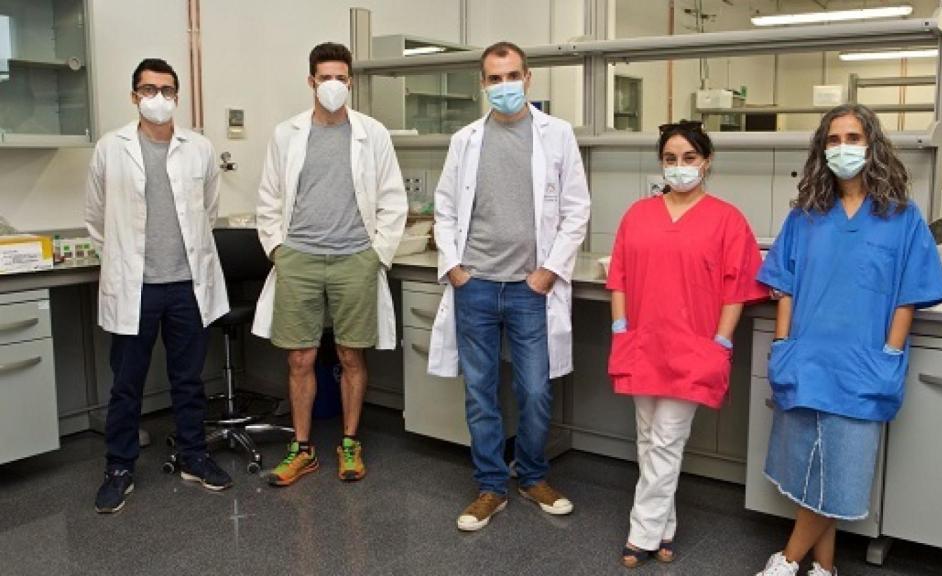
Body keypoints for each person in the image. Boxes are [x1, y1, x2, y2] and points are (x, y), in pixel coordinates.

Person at [754, 104, 942, 576]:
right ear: (823, 149)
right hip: (807, 357)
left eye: (853, 137)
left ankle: (786, 561)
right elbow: (785, 287)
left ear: (873, 145)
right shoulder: (805, 217)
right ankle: (825, 569)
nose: (844, 147)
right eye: (835, 139)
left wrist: (890, 354)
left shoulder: (901, 218)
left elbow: (908, 295)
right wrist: (782, 346)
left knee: (841, 475)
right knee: (811, 471)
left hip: (864, 365)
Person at [429, 41, 591, 531]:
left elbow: (576, 208)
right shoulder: (466, 139)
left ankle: (534, 475)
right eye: (494, 79)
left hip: (529, 287)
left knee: (535, 391)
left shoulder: (557, 135)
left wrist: (548, 272)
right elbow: (446, 208)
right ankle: (490, 487)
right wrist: (456, 267)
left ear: (528, 78)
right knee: (480, 393)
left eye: (512, 76)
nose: (504, 87)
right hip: (474, 284)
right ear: (483, 83)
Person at [606, 121, 767, 567]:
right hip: (642, 341)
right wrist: (620, 327)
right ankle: (665, 529)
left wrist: (720, 339)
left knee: (666, 439)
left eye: (689, 158)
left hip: (694, 346)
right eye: (671, 159)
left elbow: (737, 288)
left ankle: (640, 531)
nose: (679, 167)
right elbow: (617, 275)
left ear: (707, 161)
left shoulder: (727, 219)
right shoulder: (638, 214)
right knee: (648, 438)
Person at [252, 42, 407, 486]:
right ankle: (302, 450)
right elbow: (269, 197)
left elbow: (393, 198)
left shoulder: (371, 133)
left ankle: (350, 444)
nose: (334, 85)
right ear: (311, 82)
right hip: (298, 257)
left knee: (349, 354)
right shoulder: (287, 134)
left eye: (341, 78)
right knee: (300, 358)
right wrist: (279, 250)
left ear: (350, 82)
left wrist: (376, 254)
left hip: (354, 257)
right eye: (325, 78)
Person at [85, 58, 232, 514]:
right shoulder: (111, 148)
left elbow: (207, 210)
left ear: (177, 96)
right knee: (126, 384)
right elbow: (95, 217)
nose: (159, 98)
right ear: (134, 96)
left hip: (187, 285)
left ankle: (194, 456)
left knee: (188, 380)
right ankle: (120, 467)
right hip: (137, 287)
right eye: (149, 90)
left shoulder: (200, 149)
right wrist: (126, 262)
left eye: (167, 90)